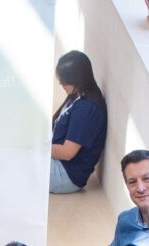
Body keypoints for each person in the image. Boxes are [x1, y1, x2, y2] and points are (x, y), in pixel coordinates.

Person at [50, 50, 108, 194]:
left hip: (67, 175)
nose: (60, 83)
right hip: (58, 163)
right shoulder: (78, 95)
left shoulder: (87, 109)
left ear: (78, 79)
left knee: (14, 162)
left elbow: (67, 152)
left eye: (64, 80)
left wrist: (36, 147)